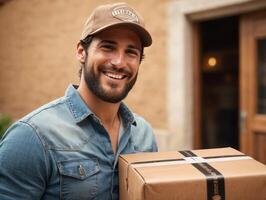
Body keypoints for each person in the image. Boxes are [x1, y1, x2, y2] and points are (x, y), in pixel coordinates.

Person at [0, 2, 158, 200]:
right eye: (108, 47)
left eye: (131, 52)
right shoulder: (32, 136)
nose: (119, 62)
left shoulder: (144, 135)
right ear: (81, 52)